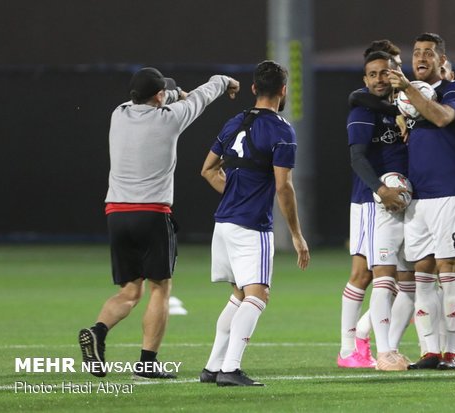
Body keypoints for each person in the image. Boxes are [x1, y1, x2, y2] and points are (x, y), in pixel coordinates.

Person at [78, 67, 240, 379]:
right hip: (151, 213)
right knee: (160, 288)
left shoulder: (118, 114)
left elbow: (161, 96)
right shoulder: (171, 118)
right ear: (159, 96)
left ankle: (98, 332)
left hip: (116, 212)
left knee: (129, 291)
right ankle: (147, 363)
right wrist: (226, 81)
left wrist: (172, 93)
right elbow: (204, 95)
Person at [199, 60, 310, 387]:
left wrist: (233, 192)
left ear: (253, 89)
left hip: (224, 224)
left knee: (239, 295)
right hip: (251, 227)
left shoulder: (235, 121)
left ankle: (212, 366)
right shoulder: (281, 130)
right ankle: (230, 369)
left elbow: (207, 169)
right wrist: (297, 236)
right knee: (258, 296)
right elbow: (283, 187)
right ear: (283, 91)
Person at [388, 33, 455, 370]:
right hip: (418, 198)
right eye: (417, 52)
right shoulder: (404, 98)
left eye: (428, 53)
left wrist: (408, 89)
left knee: (448, 272)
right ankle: (431, 351)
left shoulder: (454, 90)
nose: (421, 57)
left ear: (442, 61)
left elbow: (441, 118)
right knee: (422, 273)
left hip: (449, 195)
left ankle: (451, 353)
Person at [339, 51, 410, 371]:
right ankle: (349, 348)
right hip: (371, 201)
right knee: (365, 273)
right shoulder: (362, 112)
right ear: (365, 79)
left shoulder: (408, 106)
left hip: (403, 200)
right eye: (373, 74)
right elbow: (357, 159)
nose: (380, 79)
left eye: (386, 72)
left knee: (399, 276)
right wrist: (379, 191)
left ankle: (363, 340)